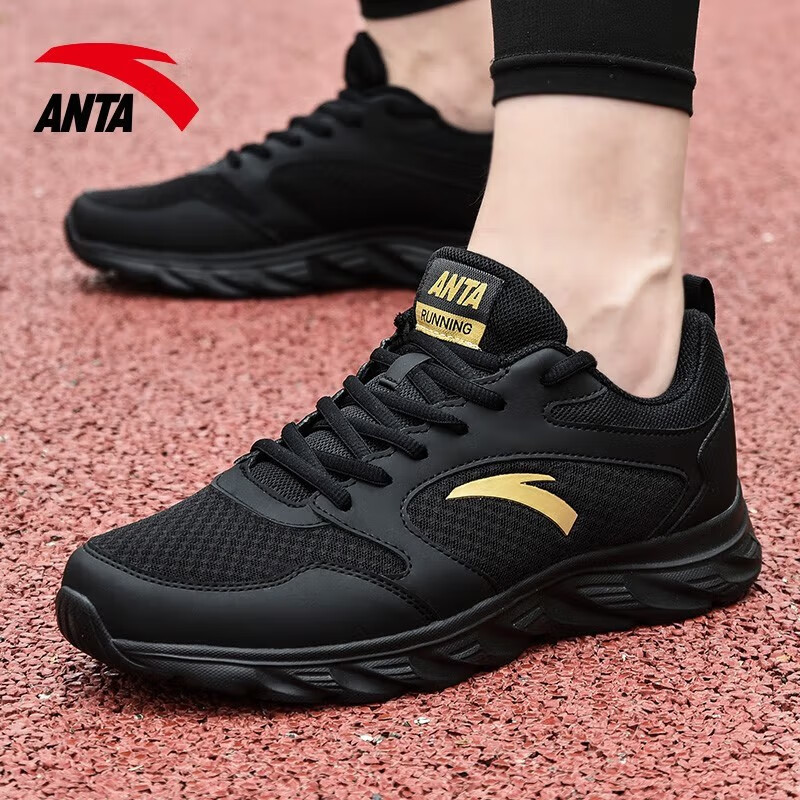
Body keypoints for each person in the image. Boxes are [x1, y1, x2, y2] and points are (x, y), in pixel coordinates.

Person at [55, 0, 761, 704]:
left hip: (592, 358)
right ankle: (442, 79)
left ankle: (599, 310)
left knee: (542, 302)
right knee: (446, 84)